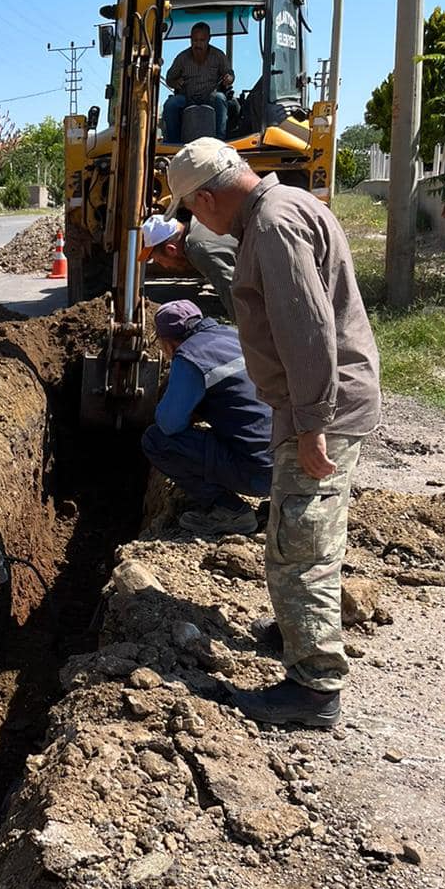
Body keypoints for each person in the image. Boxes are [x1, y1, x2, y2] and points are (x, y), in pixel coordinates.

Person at [167, 138, 381, 731]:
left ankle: (313, 691)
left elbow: (306, 332)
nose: (194, 223)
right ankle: (296, 631)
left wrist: (311, 424)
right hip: (321, 406)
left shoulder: (274, 226)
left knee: (299, 549)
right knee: (304, 536)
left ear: (208, 197)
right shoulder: (287, 205)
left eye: (191, 210)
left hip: (320, 413)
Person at [141, 299, 272, 537]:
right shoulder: (232, 335)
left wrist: (191, 409)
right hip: (291, 463)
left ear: (168, 343)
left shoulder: (189, 358)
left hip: (258, 474)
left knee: (155, 441)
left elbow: (169, 424)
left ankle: (232, 512)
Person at [140, 211, 238, 313]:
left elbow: (235, 297)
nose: (164, 266)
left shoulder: (200, 250)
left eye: (159, 260)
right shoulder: (201, 220)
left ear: (171, 249)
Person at [162, 23, 234, 143]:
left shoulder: (218, 55)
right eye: (195, 40)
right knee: (171, 104)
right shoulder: (182, 57)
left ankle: (220, 140)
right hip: (187, 97)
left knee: (220, 98)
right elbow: (170, 78)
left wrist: (229, 78)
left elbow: (230, 74)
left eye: (202, 40)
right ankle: (173, 143)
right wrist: (176, 83)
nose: (198, 44)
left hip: (210, 96)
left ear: (209, 39)